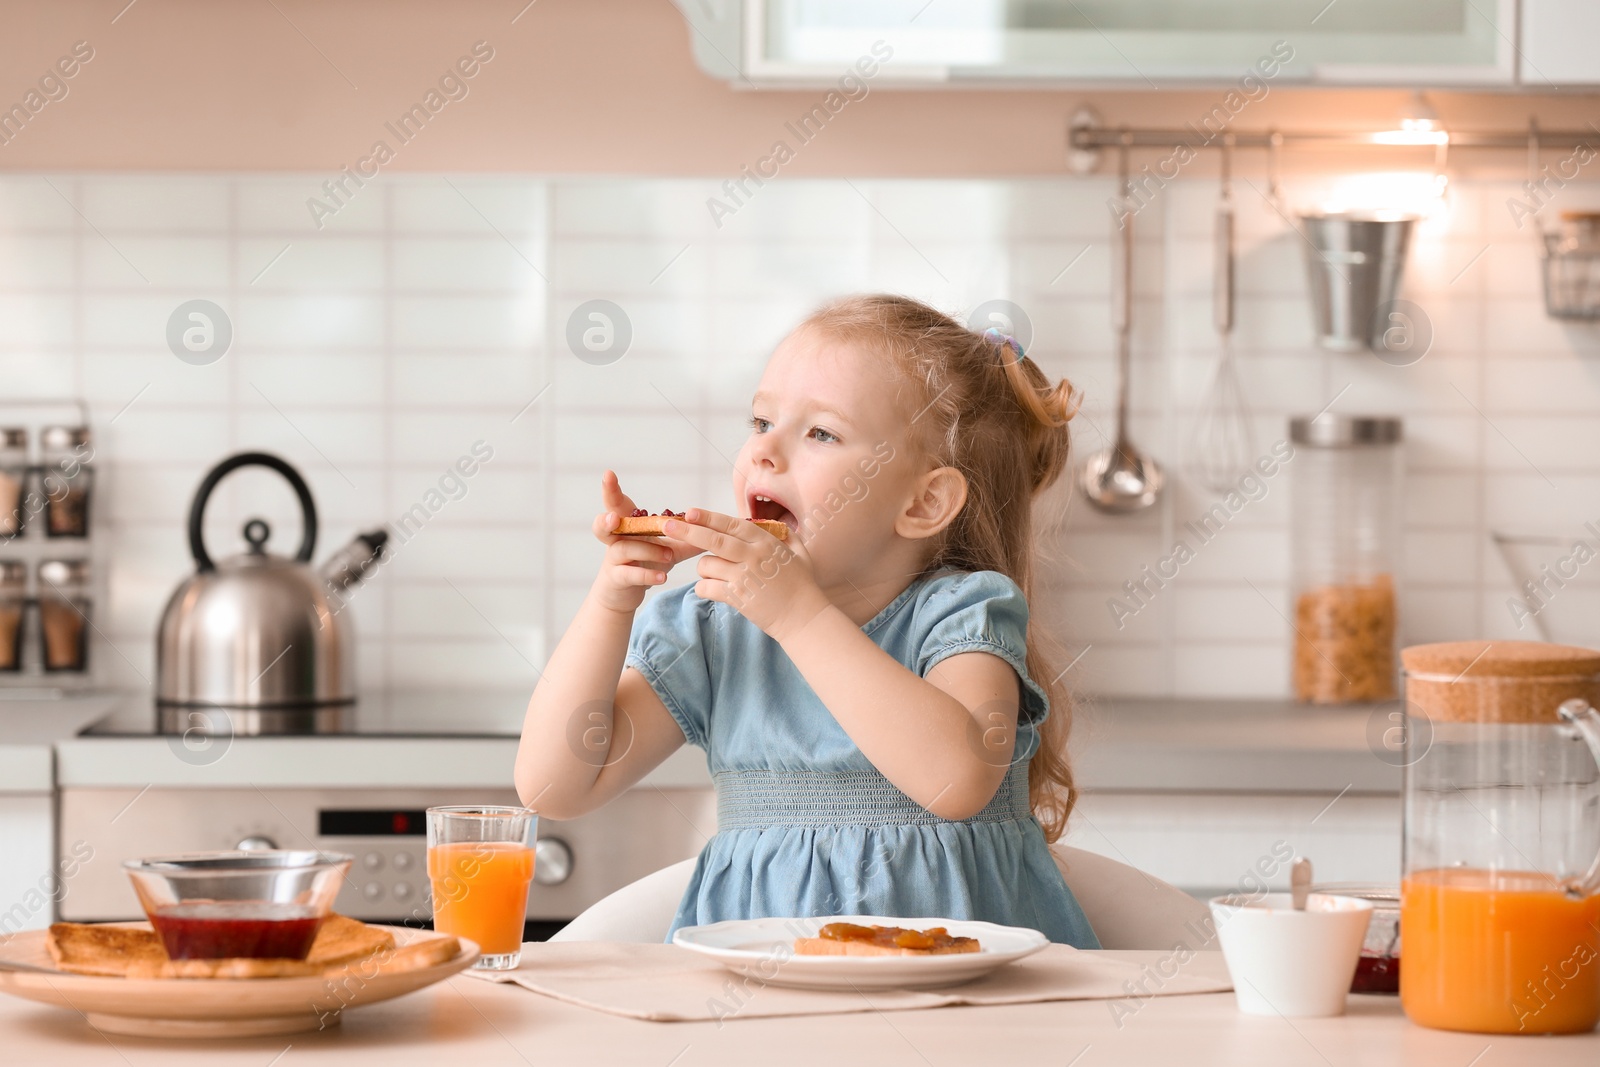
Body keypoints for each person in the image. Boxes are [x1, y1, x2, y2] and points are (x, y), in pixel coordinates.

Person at [516, 293, 1098, 946]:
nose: (764, 451)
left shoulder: (961, 613)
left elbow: (956, 778)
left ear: (925, 500)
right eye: (761, 420)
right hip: (765, 1006)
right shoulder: (718, 629)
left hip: (962, 1007)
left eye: (820, 432)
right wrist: (611, 603)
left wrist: (798, 615)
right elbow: (553, 786)